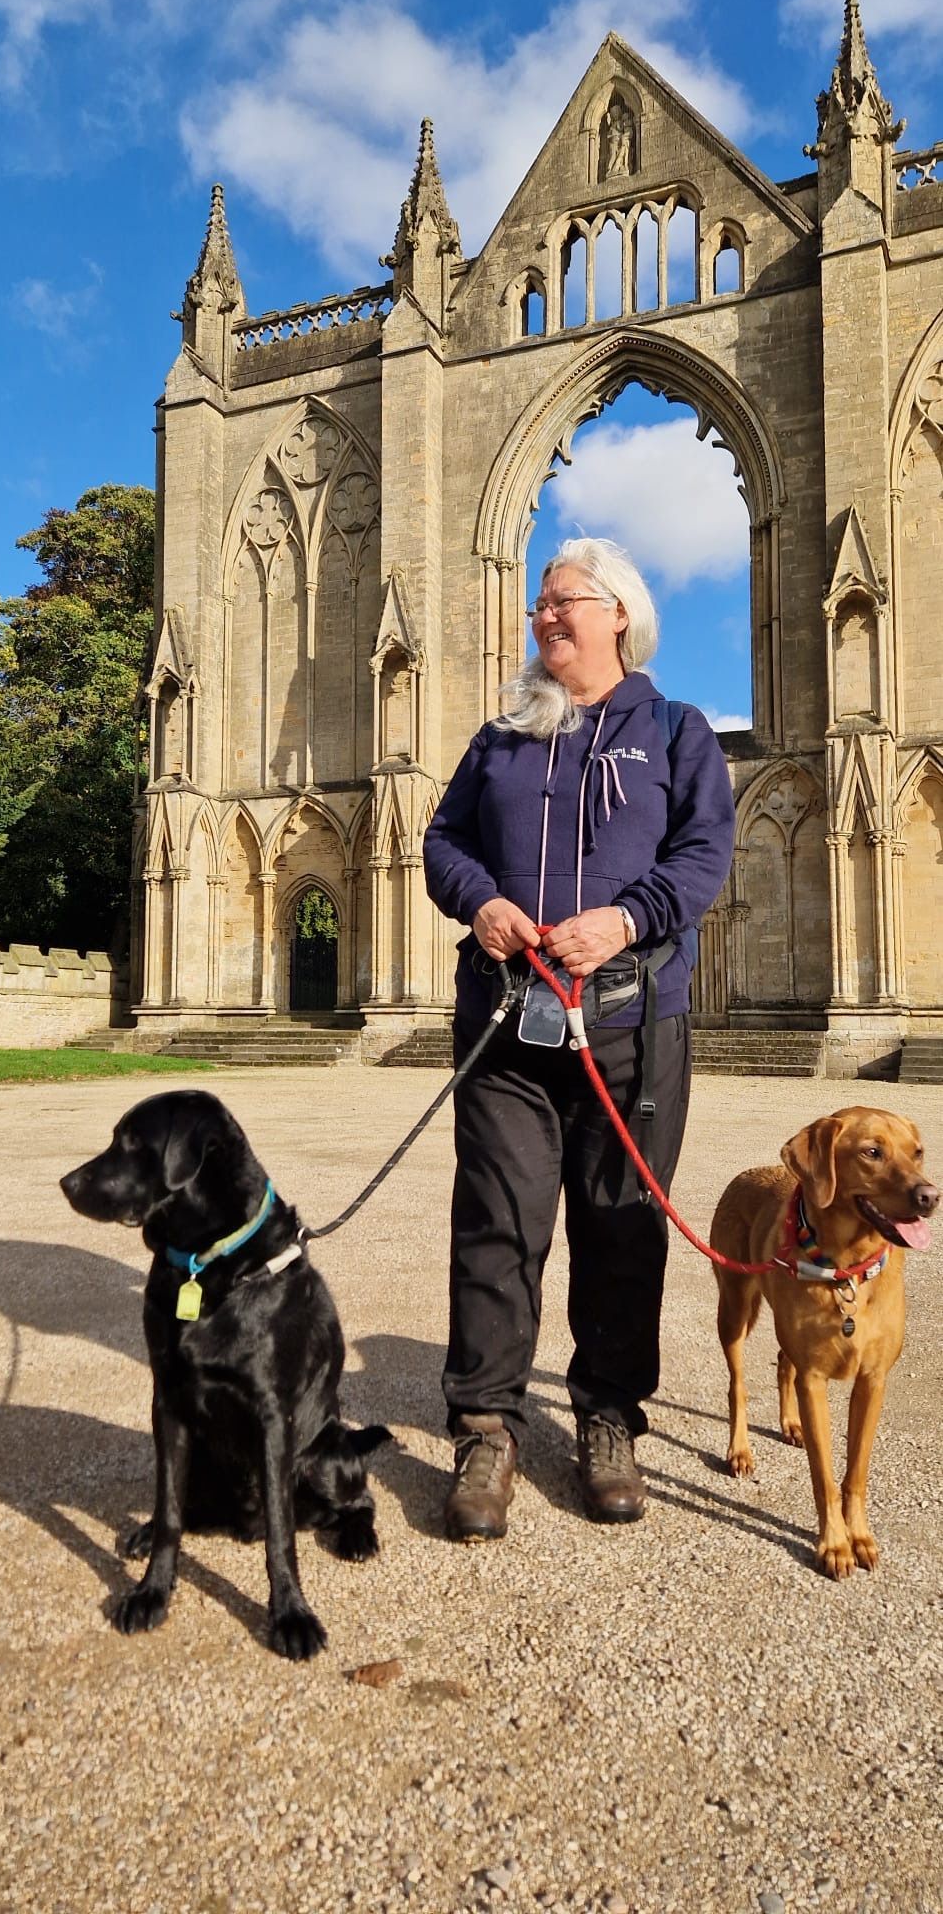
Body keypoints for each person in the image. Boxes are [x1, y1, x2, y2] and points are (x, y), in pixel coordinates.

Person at [423, 537, 735, 1540]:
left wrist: (625, 917)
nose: (541, 616)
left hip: (633, 1025)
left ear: (616, 615)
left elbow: (702, 857)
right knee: (497, 1225)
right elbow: (442, 842)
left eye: (561, 602)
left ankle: (606, 1417)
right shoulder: (500, 736)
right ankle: (485, 1426)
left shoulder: (678, 731)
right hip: (509, 1023)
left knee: (620, 1225)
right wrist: (481, 903)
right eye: (536, 605)